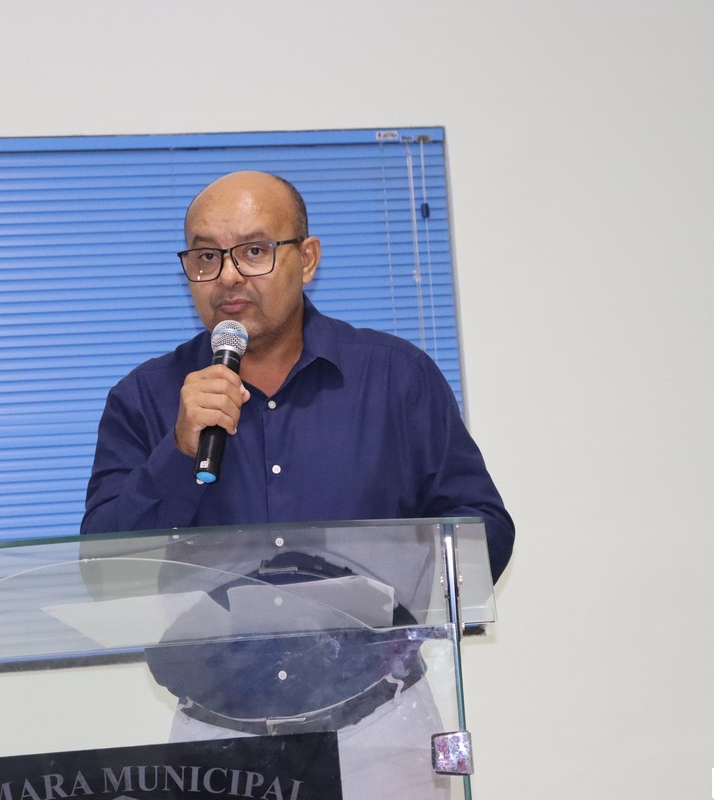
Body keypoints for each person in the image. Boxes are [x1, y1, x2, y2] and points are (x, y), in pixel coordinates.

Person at [81, 170, 514, 797]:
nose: (229, 276)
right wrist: (178, 453)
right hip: (215, 738)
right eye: (206, 257)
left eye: (255, 250)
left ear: (306, 259)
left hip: (381, 727)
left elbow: (484, 532)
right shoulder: (144, 398)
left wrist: (401, 573)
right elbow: (103, 571)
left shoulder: (397, 378)